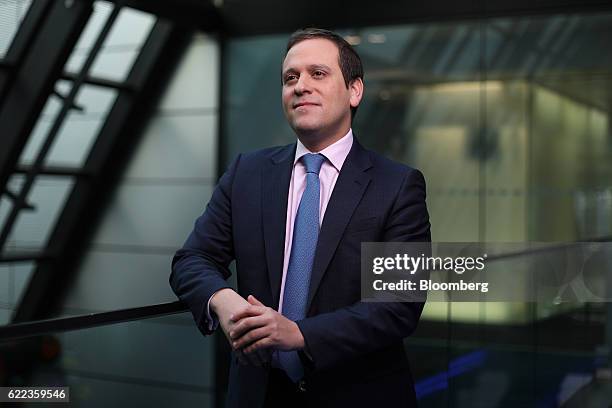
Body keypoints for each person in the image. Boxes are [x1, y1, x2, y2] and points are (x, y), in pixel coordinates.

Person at [170, 28, 431, 408]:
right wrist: (225, 303)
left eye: (318, 74)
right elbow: (191, 260)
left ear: (354, 91)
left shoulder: (398, 185)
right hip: (257, 394)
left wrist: (299, 334)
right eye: (290, 77)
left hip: (356, 394)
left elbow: (397, 304)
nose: (300, 86)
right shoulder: (248, 172)